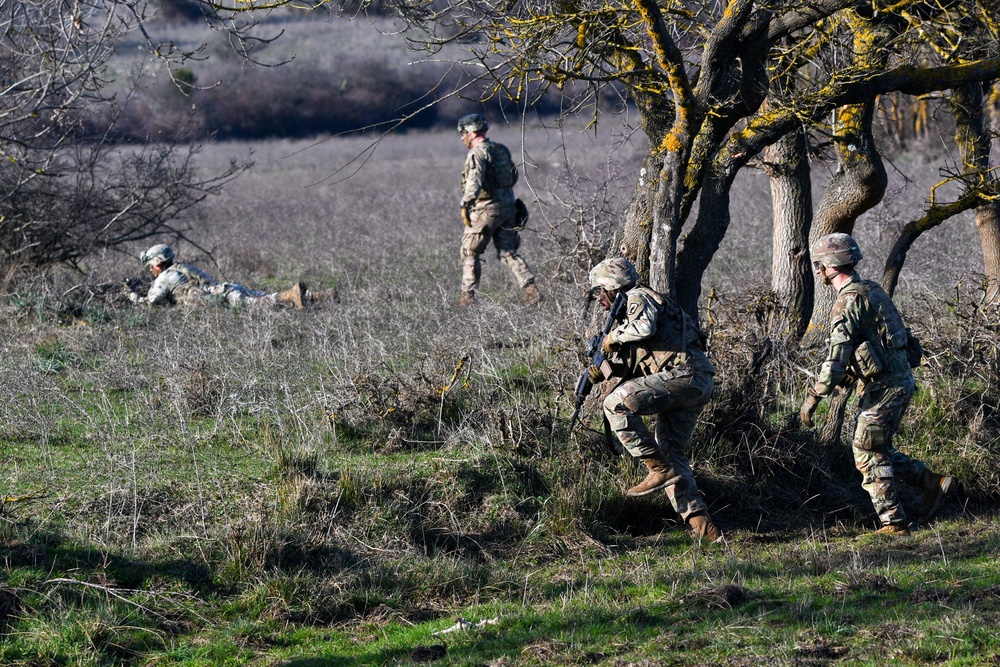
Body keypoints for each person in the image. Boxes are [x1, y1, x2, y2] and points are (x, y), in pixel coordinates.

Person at [800, 233, 955, 535]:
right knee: (877, 449)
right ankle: (932, 483)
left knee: (866, 451)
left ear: (830, 266)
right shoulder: (871, 290)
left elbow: (835, 360)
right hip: (896, 382)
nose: (818, 270)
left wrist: (813, 398)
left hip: (885, 387)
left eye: (820, 264)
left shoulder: (847, 302)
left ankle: (894, 523)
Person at [587, 257, 723, 543]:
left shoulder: (638, 297)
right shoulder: (630, 312)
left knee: (616, 404)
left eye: (600, 291)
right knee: (672, 456)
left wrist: (611, 338)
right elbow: (638, 363)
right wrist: (602, 371)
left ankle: (657, 469)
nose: (600, 298)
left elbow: (644, 329)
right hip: (693, 381)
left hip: (685, 376)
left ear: (612, 287)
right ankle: (708, 533)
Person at [456, 113, 538, 307]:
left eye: (462, 133)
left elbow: (474, 180)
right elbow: (513, 176)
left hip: (487, 209)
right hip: (509, 206)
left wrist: (466, 203)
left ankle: (467, 298)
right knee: (507, 251)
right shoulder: (500, 149)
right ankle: (531, 290)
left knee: (470, 252)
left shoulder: (477, 153)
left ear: (471, 132)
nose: (462, 138)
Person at [128, 244, 307, 309]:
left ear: (157, 264)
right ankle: (316, 297)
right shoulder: (183, 267)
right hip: (226, 289)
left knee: (266, 303)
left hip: (221, 299)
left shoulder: (163, 278)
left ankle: (292, 295)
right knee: (270, 301)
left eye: (150, 266)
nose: (150, 270)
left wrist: (133, 296)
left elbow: (152, 302)